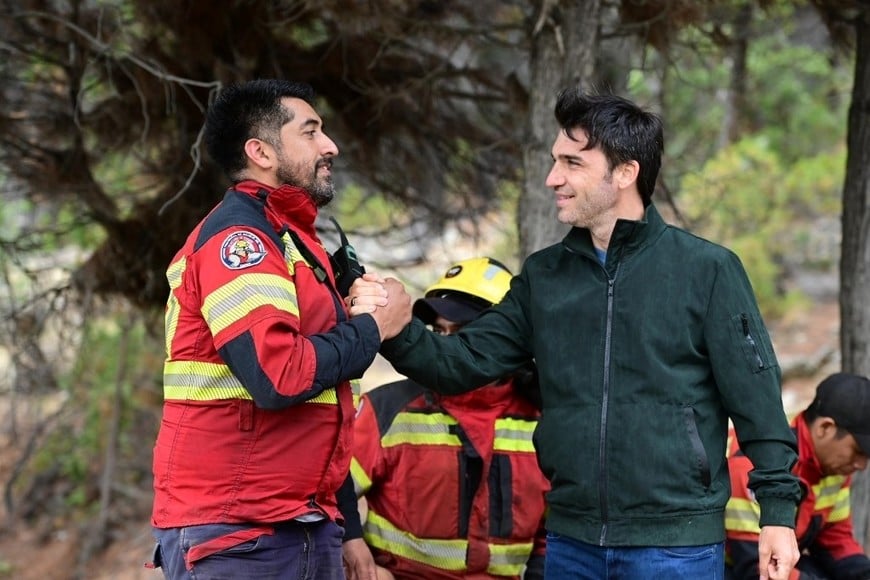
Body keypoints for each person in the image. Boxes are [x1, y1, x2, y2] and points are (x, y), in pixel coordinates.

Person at [348, 89, 803, 580]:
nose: (553, 178)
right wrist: (395, 332)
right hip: (572, 544)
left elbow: (756, 401)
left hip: (675, 546)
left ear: (625, 172)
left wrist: (777, 516)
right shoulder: (546, 276)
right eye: (554, 161)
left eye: (572, 163)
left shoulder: (707, 270)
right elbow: (461, 364)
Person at [149, 79, 411, 580]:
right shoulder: (240, 241)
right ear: (261, 152)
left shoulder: (291, 238)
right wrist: (374, 327)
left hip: (300, 522)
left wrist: (348, 530)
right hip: (239, 532)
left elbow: (323, 407)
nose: (330, 145)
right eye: (311, 131)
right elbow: (280, 376)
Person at [344, 257, 550, 580]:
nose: (445, 343)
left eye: (462, 332)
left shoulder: (542, 421)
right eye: (438, 330)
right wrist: (351, 542)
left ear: (506, 339)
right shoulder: (387, 408)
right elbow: (328, 486)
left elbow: (548, 539)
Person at [726, 372, 870, 580]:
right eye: (858, 451)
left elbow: (836, 542)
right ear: (825, 428)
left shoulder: (834, 468)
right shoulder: (752, 461)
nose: (862, 464)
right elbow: (757, 566)